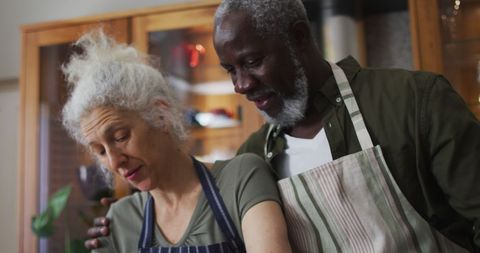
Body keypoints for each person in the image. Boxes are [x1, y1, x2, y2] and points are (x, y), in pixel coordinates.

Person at [86, 0, 480, 252]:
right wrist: (122, 221)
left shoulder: (412, 101)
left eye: (252, 61)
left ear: (299, 38)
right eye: (231, 70)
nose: (241, 85)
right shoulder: (255, 157)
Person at [62, 29, 292, 253]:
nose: (114, 162)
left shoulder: (241, 179)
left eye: (121, 137)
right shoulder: (120, 219)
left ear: (160, 116)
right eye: (100, 151)